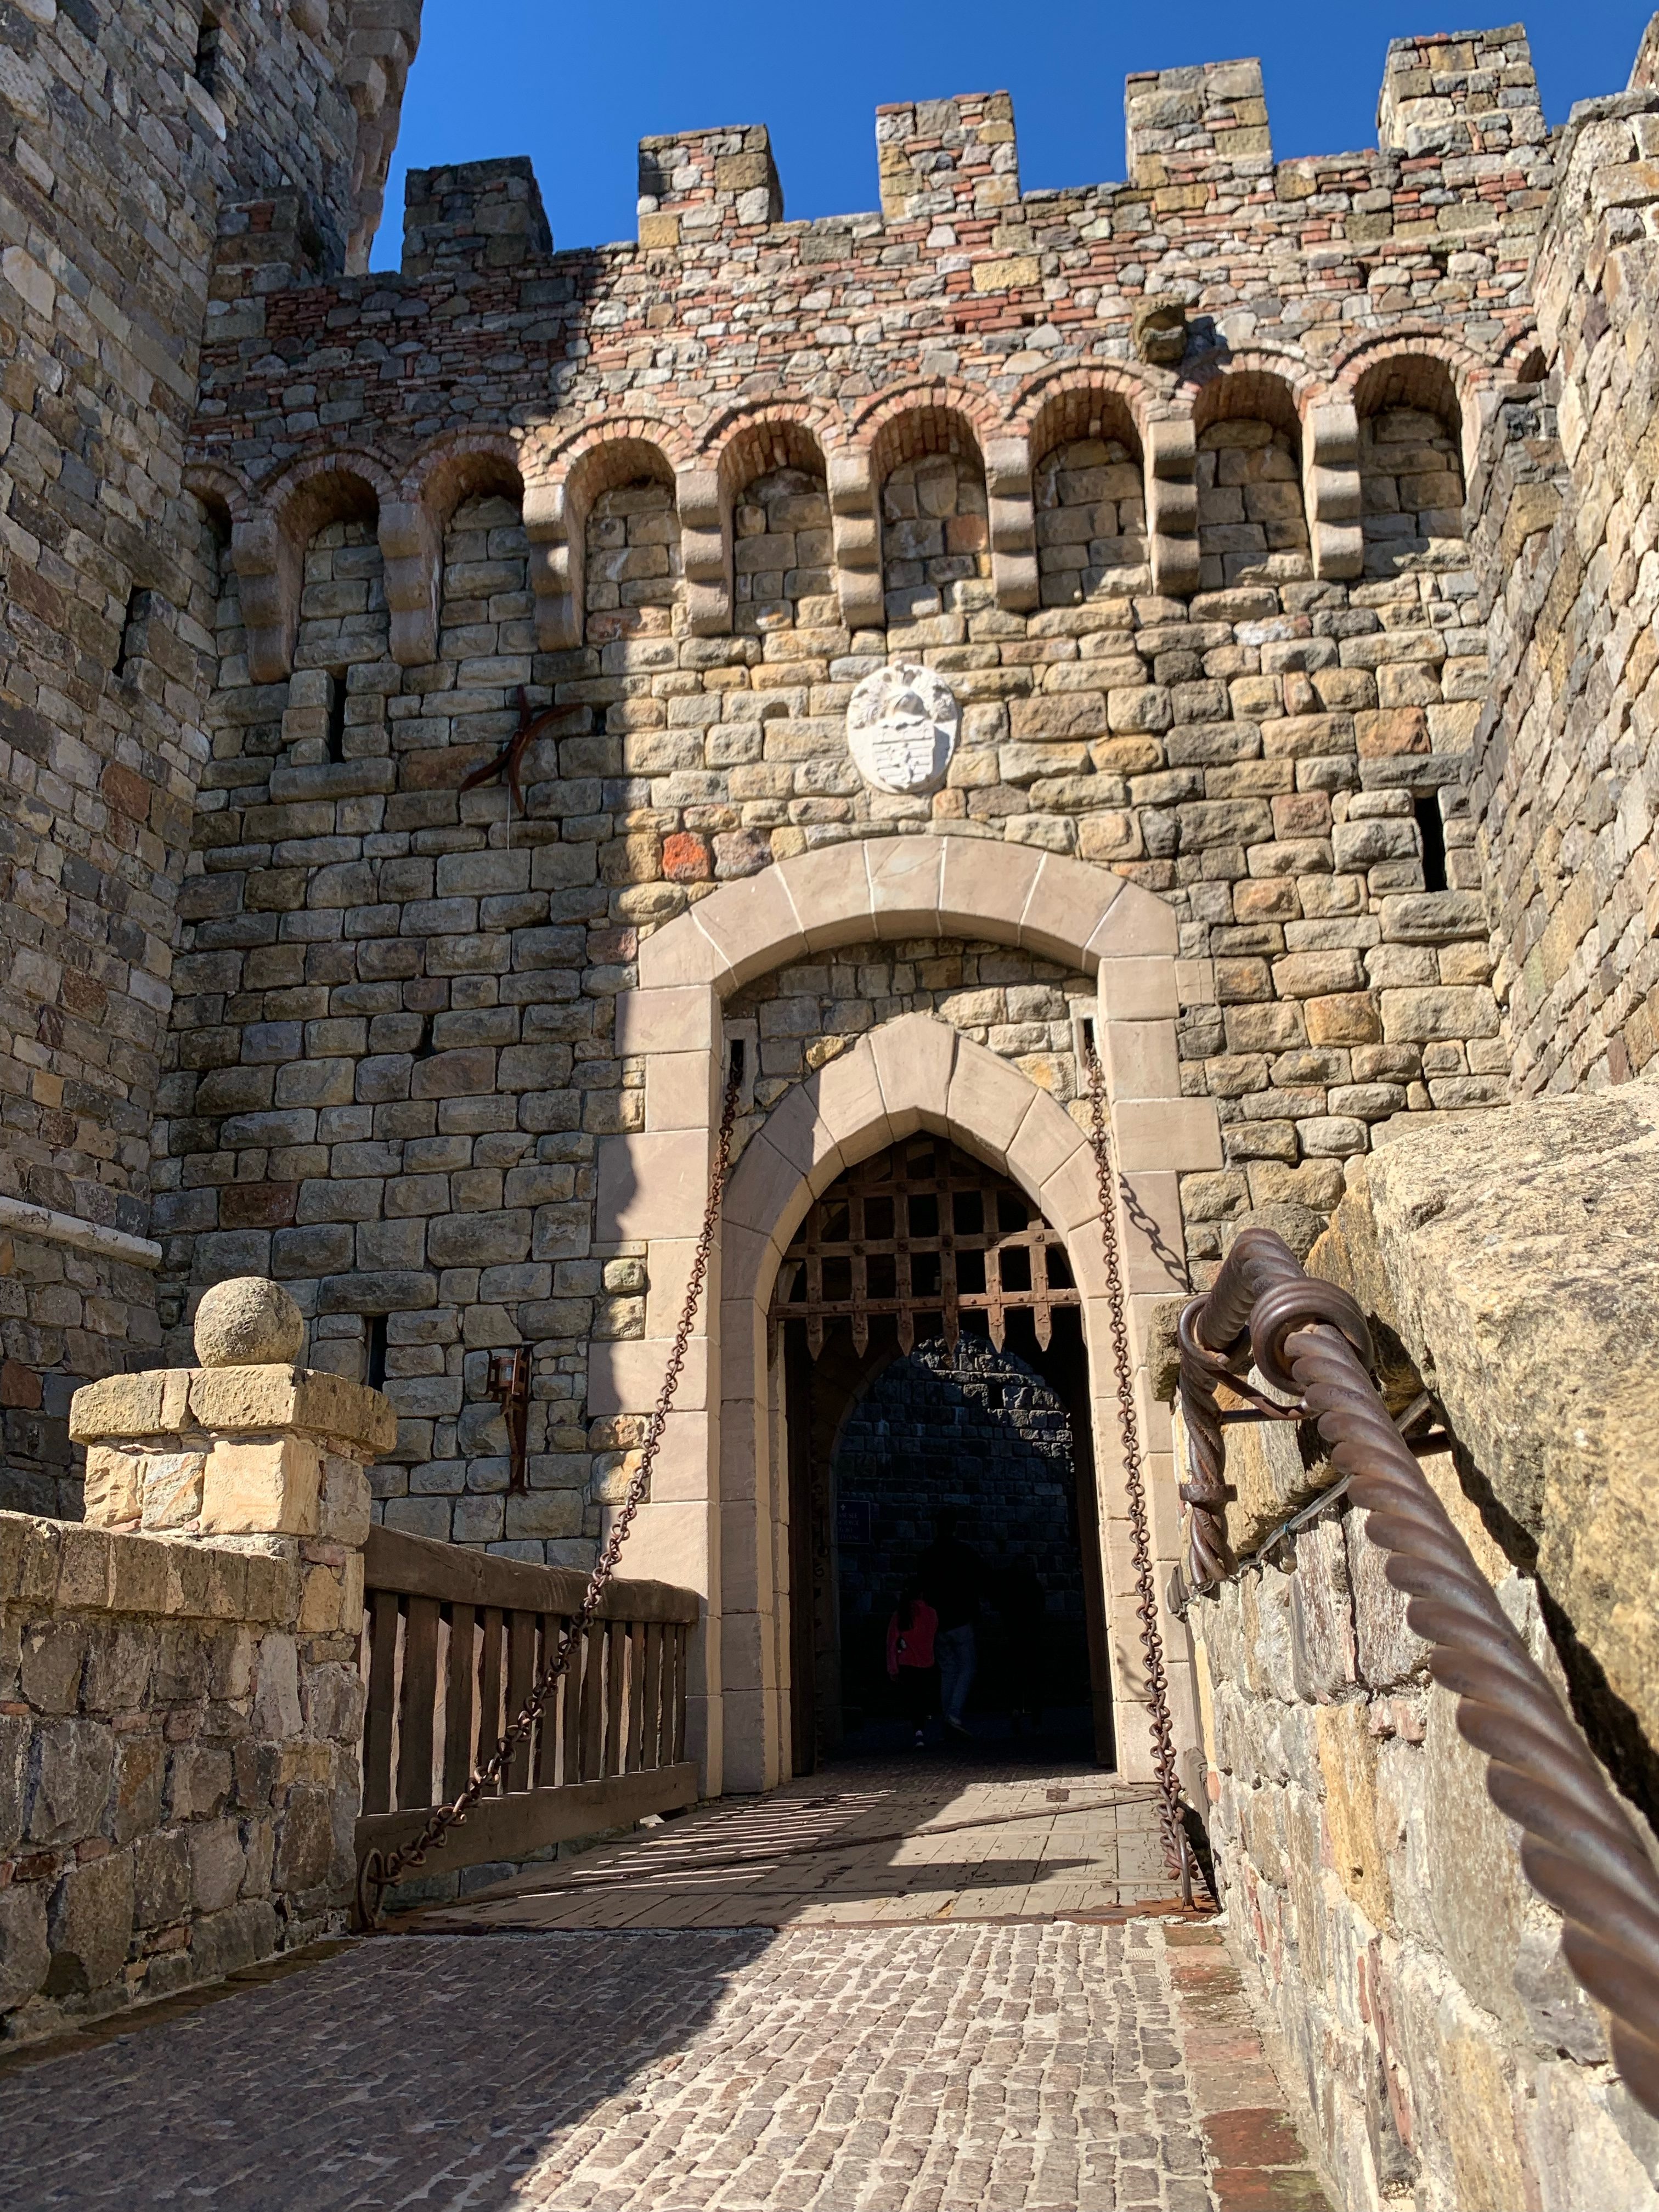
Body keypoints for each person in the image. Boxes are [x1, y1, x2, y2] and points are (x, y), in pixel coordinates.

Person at [919, 1510, 982, 1738]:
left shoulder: (927, 1556)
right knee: (967, 1667)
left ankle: (948, 1716)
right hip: (960, 1619)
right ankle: (953, 1715)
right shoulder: (964, 1553)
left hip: (938, 1622)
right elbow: (979, 1582)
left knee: (948, 1671)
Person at [885, 1582, 939, 1748]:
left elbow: (891, 1644)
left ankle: (917, 1731)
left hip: (907, 1662)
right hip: (927, 1662)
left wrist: (893, 1668)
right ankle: (922, 1730)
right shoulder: (931, 1613)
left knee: (913, 1698)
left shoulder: (901, 1614)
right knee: (923, 1698)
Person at [1001, 1556, 1047, 1737]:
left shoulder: (1010, 1589)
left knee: (1016, 1678)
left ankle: (1015, 1710)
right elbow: (1041, 1609)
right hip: (1033, 1638)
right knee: (1034, 1680)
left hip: (1015, 1637)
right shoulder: (1035, 1587)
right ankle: (1036, 1721)